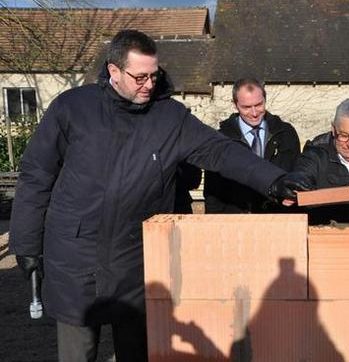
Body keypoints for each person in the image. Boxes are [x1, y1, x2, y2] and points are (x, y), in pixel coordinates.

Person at [8, 29, 307, 362]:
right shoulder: (73, 108)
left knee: (138, 352)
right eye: (139, 77)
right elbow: (37, 176)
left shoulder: (169, 118)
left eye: (153, 75)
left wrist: (274, 180)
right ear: (114, 71)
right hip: (77, 257)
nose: (148, 84)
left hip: (139, 262)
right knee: (78, 354)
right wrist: (26, 243)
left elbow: (220, 150)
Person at [204, 78, 301, 213]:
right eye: (246, 107)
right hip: (236, 221)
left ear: (265, 99)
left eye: (259, 104)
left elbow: (296, 176)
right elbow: (212, 192)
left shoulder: (286, 133)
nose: (254, 113)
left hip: (278, 217)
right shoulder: (221, 139)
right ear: (235, 105)